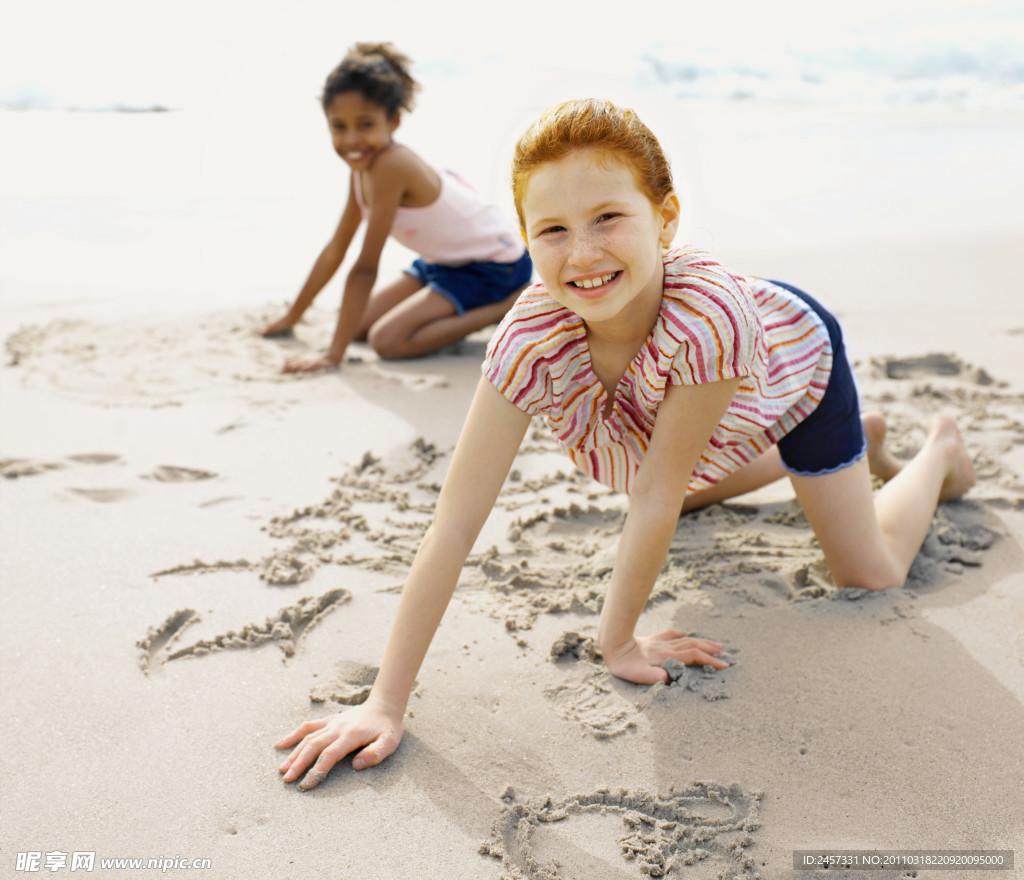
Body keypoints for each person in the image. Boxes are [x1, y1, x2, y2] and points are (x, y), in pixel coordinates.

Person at [276, 98, 976, 788]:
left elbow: (656, 494)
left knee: (870, 574)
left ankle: (934, 451)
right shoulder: (531, 337)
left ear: (665, 219)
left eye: (608, 217)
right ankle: (857, 448)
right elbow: (455, 522)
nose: (582, 254)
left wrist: (617, 640)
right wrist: (383, 703)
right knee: (681, 489)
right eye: (552, 229)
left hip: (793, 370)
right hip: (696, 419)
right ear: (524, 237)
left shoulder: (709, 320)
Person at [262, 42, 532, 370]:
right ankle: (470, 303)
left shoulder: (392, 165)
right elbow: (336, 248)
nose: (351, 140)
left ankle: (506, 305)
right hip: (444, 262)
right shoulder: (362, 171)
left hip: (493, 265)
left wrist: (333, 356)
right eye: (339, 126)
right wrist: (292, 317)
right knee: (358, 326)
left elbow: (365, 267)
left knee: (387, 341)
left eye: (365, 124)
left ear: (393, 121)